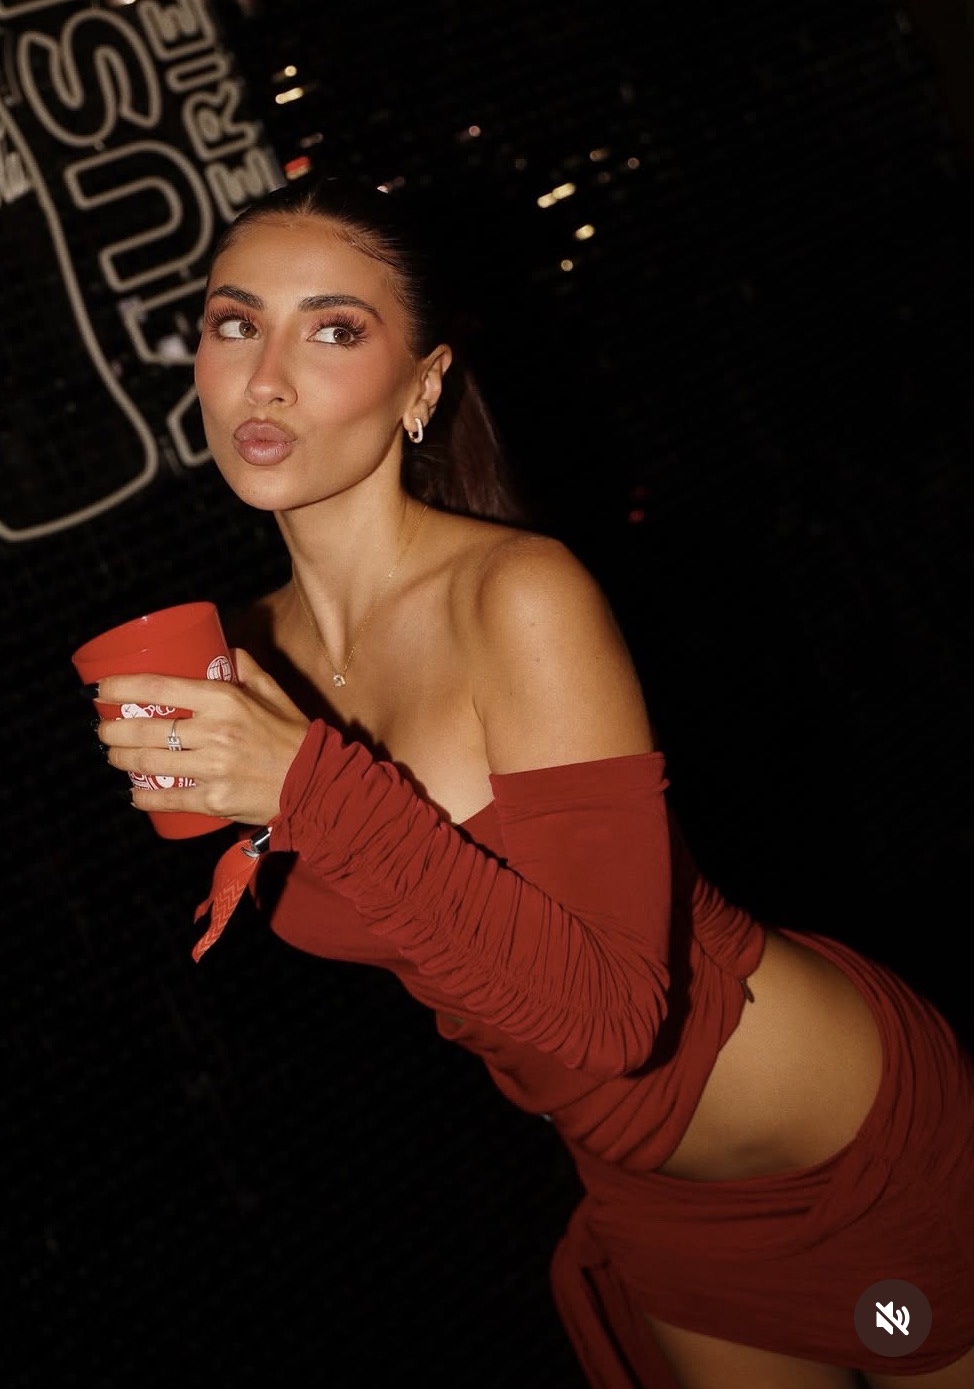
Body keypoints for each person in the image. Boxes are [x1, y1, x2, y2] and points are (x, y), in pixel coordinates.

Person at [92, 175, 973, 1388]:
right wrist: (229, 795)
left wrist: (306, 786)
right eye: (234, 323)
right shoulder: (245, 653)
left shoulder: (517, 595)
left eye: (332, 329)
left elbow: (614, 1017)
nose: (266, 377)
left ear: (423, 385)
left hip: (848, 1150)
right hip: (654, 1201)